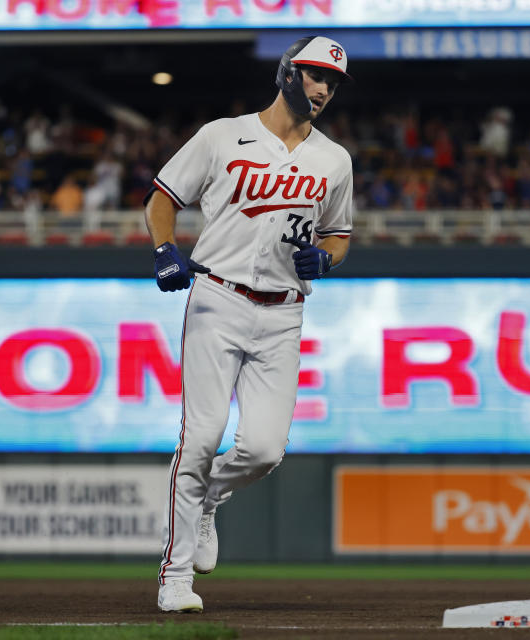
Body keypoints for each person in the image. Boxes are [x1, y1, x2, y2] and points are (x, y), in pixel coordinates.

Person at [144, 36, 354, 612]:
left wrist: (328, 259)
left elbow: (338, 233)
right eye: (315, 76)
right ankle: (175, 578)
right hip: (218, 298)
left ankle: (209, 500)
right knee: (202, 436)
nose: (323, 89)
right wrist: (165, 248)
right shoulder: (222, 134)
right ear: (287, 72)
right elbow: (162, 197)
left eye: (332, 83)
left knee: (264, 449)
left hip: (284, 312)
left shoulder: (333, 159)